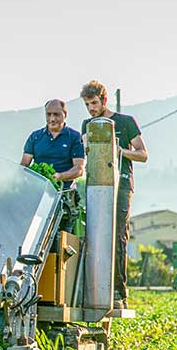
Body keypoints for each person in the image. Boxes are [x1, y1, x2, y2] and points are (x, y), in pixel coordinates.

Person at [80, 80, 148, 309]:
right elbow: (86, 151)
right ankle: (94, 288)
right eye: (88, 104)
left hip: (122, 183)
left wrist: (120, 151)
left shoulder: (126, 122)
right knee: (94, 234)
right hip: (97, 184)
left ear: (104, 100)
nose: (91, 108)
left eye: (94, 103)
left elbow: (143, 154)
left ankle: (119, 291)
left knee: (119, 234)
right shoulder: (87, 124)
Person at [21, 99, 84, 232]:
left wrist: (60, 176)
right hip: (38, 194)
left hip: (64, 196)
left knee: (61, 237)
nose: (52, 118)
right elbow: (24, 166)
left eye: (56, 114)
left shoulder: (74, 137)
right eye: (49, 114)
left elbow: (79, 169)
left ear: (64, 114)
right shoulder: (35, 137)